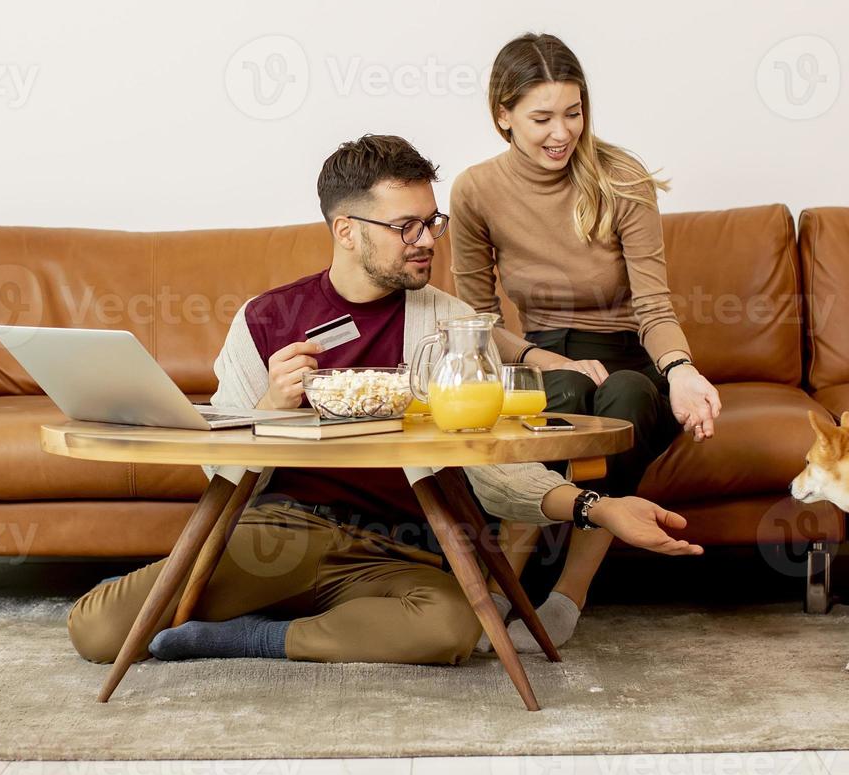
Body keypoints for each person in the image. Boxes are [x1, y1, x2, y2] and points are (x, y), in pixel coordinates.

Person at [67, 134, 702, 667]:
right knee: (97, 631)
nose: (428, 239)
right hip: (282, 535)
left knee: (451, 631)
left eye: (432, 222)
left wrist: (596, 506)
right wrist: (268, 407)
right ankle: (272, 609)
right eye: (406, 226)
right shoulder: (265, 318)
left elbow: (489, 465)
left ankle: (248, 636)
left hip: (402, 548)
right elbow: (219, 472)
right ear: (346, 230)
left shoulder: (449, 324)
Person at [450, 33, 722, 653]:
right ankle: (506, 581)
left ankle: (567, 595)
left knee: (624, 392)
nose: (561, 132)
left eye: (572, 113)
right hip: (539, 355)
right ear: (503, 115)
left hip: (632, 356)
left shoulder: (620, 177)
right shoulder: (475, 191)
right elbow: (477, 317)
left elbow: (653, 306)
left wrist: (680, 371)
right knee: (565, 387)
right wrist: (541, 356)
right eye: (541, 117)